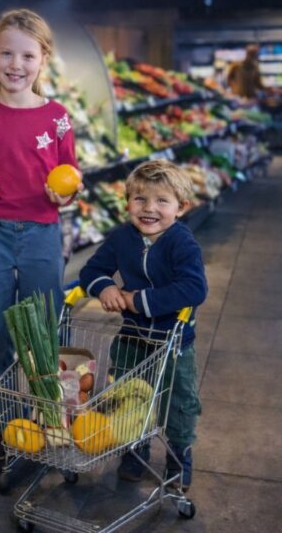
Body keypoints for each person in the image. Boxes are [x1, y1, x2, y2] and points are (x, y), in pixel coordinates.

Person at [0, 8, 79, 461]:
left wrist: (63, 194)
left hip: (43, 231)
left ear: (43, 58)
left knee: (44, 328)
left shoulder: (59, 117)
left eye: (27, 55)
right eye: (7, 53)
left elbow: (70, 174)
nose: (16, 65)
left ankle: (48, 413)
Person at [78, 160, 207, 490]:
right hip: (132, 336)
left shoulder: (182, 243)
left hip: (173, 341)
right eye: (140, 199)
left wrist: (139, 300)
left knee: (178, 401)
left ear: (181, 208)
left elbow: (194, 288)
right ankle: (134, 449)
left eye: (162, 201)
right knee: (129, 394)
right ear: (127, 204)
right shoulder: (122, 238)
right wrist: (105, 286)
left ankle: (179, 456)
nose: (150, 209)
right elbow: (91, 270)